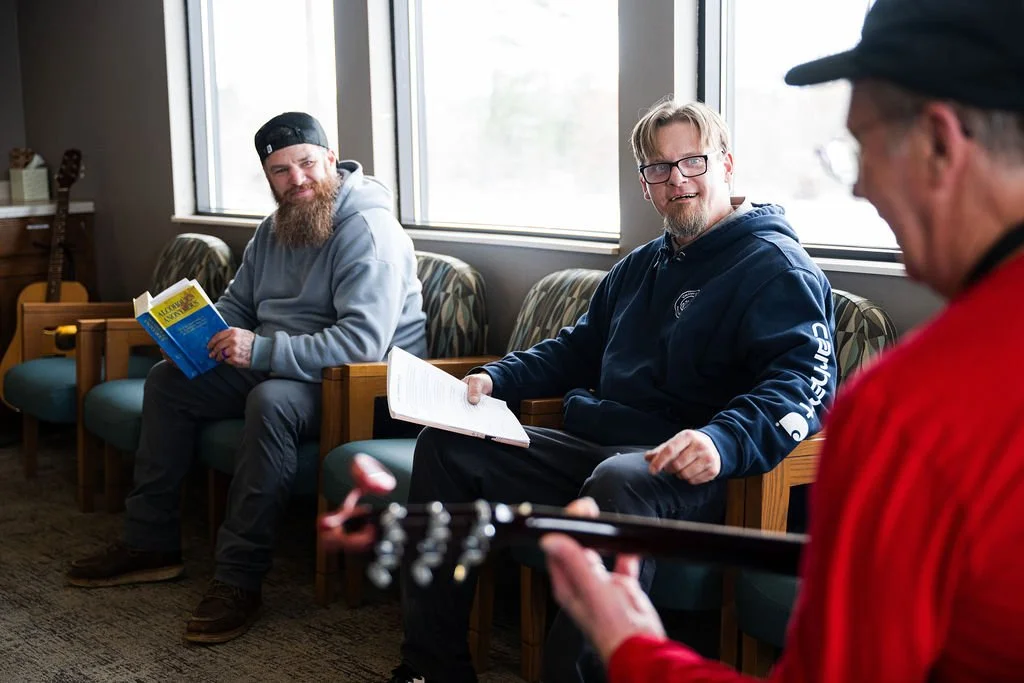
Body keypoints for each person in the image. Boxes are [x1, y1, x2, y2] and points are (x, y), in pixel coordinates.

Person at [540, 1, 1024, 681]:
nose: (858, 185)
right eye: (658, 168)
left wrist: (631, 646)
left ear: (941, 143)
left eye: (862, 146)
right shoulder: (641, 265)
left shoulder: (906, 412)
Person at [386, 99, 837, 683]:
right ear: (645, 185)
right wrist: (499, 375)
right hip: (603, 446)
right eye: (659, 169)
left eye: (692, 163)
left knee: (619, 481)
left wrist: (721, 441)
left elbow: (803, 387)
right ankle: (431, 667)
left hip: (690, 469)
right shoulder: (643, 265)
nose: (677, 180)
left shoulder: (777, 267)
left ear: (726, 164)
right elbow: (577, 347)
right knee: (447, 445)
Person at [67, 111, 428, 644]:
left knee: (271, 401)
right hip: (282, 363)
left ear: (331, 159)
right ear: (268, 177)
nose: (297, 180)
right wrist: (194, 329)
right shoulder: (275, 226)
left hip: (361, 383)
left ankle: (240, 579)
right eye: (280, 171)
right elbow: (239, 302)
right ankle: (151, 543)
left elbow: (361, 344)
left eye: (306, 164)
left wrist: (257, 348)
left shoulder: (369, 231)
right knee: (169, 381)